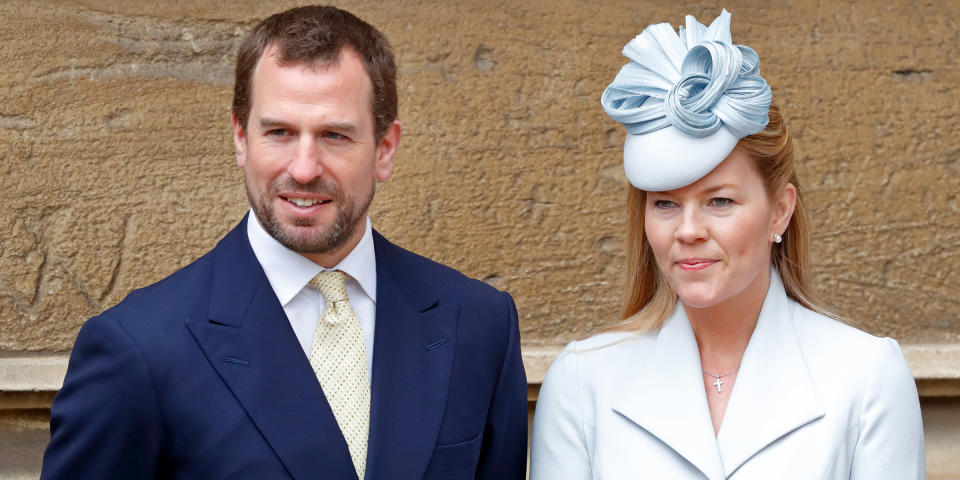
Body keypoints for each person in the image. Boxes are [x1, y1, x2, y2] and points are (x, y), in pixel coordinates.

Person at [41, 6, 527, 479]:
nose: (303, 168)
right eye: (279, 132)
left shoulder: (480, 326)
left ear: (385, 149)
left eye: (335, 135)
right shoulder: (138, 348)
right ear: (240, 138)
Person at [530, 9, 924, 479]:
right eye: (665, 204)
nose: (689, 230)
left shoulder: (867, 376)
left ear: (780, 209)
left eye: (719, 200)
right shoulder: (582, 381)